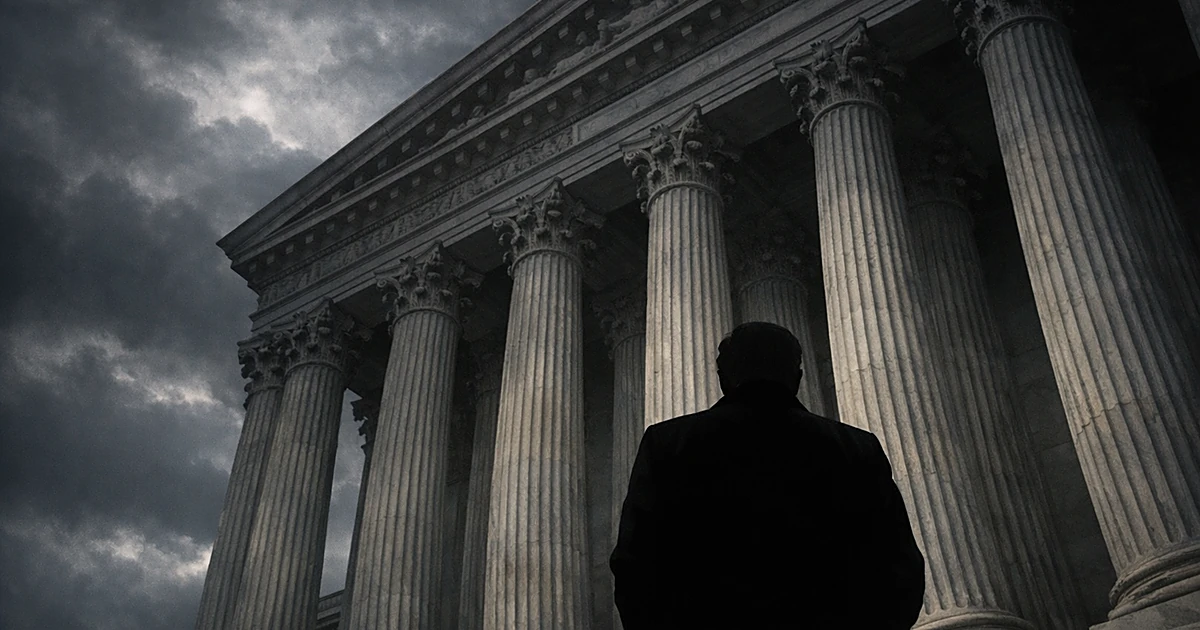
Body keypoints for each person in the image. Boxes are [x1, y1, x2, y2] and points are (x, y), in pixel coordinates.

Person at [610, 321, 926, 629]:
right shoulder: (855, 447)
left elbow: (636, 567)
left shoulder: (669, 444)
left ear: (724, 379)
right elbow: (899, 565)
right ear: (797, 377)